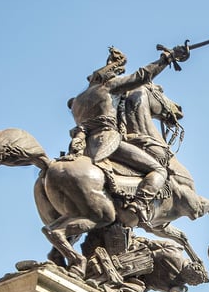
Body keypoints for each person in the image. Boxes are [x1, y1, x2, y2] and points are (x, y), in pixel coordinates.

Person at [67, 45, 189, 224]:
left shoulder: (77, 101)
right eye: (117, 74)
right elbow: (142, 76)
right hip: (106, 142)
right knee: (159, 170)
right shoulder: (108, 87)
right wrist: (167, 58)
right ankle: (138, 205)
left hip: (84, 146)